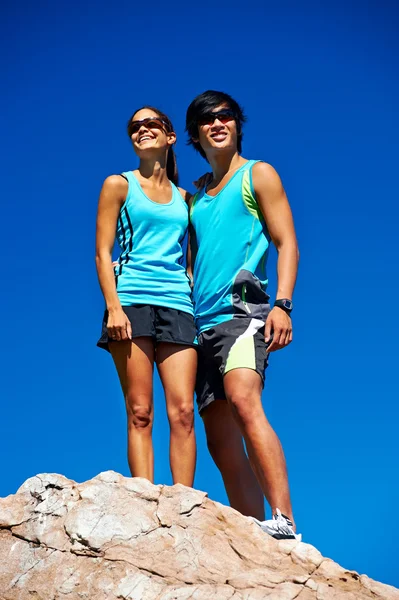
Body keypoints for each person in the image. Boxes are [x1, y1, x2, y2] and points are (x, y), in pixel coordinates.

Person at [186, 91, 300, 539]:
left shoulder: (258, 174)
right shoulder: (195, 199)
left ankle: (284, 520)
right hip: (200, 325)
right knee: (218, 439)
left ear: (237, 123)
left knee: (244, 398)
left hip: (244, 313)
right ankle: (257, 534)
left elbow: (286, 241)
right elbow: (193, 263)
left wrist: (283, 304)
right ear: (195, 134)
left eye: (226, 115)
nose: (218, 123)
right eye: (207, 119)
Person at [96, 106, 197, 487]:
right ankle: (144, 498)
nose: (142, 129)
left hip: (178, 307)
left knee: (183, 412)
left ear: (170, 137)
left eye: (151, 123)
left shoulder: (187, 199)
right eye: (135, 127)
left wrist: (187, 285)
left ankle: (185, 505)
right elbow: (102, 253)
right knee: (140, 411)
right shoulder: (118, 185)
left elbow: (192, 260)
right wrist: (113, 308)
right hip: (131, 302)